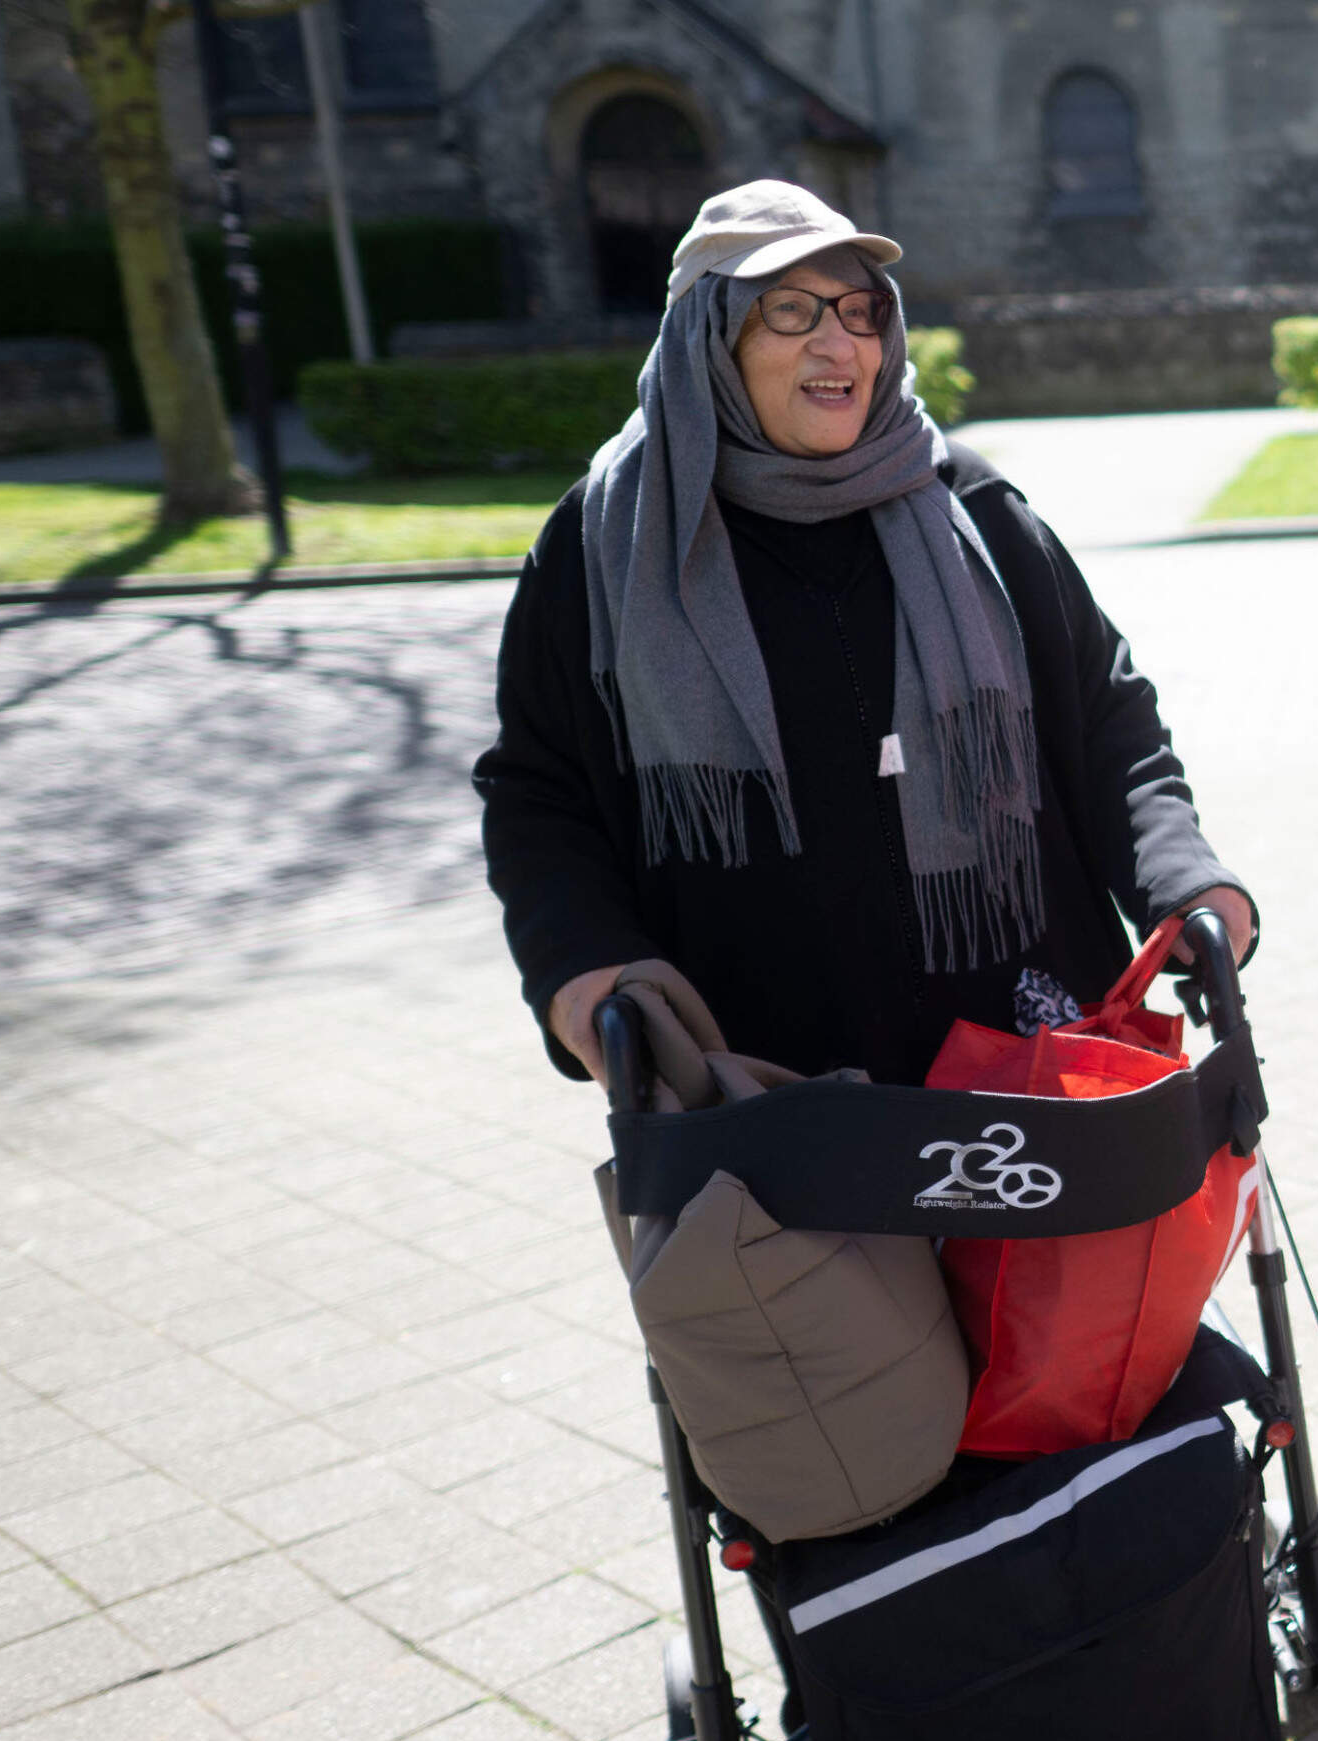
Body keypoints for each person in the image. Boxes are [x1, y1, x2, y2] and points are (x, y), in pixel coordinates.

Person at [476, 178, 1255, 1099]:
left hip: (1030, 1075)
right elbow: (540, 793)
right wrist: (581, 970)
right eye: (790, 310)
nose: (838, 341)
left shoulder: (974, 510)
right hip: (764, 1096)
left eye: (859, 310)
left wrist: (1185, 877)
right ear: (708, 344)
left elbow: (1106, 714)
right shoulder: (602, 545)